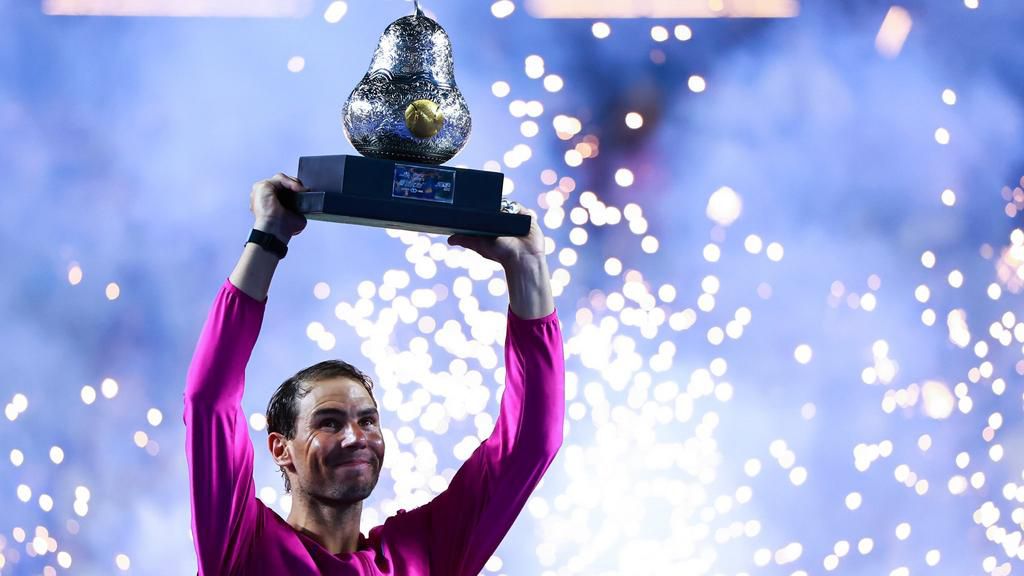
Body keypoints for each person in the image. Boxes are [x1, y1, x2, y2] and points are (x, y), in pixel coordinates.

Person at [184, 173, 564, 575]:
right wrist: (268, 236)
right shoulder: (242, 544)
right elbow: (209, 399)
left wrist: (528, 267)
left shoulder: (423, 554)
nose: (356, 437)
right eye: (328, 422)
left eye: (367, 420)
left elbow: (531, 442)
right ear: (281, 449)